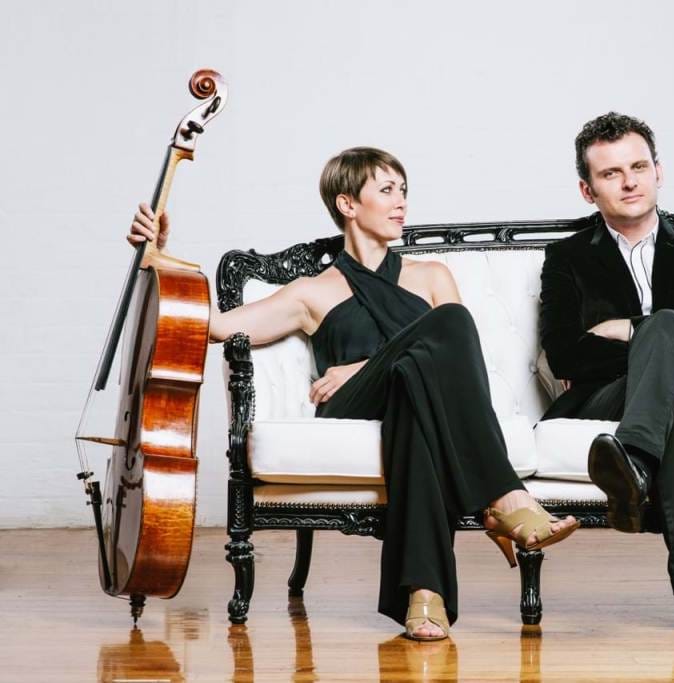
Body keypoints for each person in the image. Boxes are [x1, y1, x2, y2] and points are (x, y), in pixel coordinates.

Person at [129, 146, 578, 641]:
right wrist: (157, 256)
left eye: (403, 191)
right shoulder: (311, 292)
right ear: (347, 204)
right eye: (386, 190)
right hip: (352, 407)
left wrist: (363, 365)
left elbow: (455, 357)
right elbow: (210, 326)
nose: (401, 202)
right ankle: (503, 497)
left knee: (421, 377)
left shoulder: (431, 276)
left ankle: (424, 595)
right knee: (441, 328)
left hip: (411, 404)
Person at [538, 113, 674, 641]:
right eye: (611, 174)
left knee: (668, 329)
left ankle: (631, 458)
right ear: (588, 191)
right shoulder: (566, 258)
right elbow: (565, 354)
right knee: (668, 396)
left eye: (638, 166)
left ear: (658, 171)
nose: (629, 181)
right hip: (610, 398)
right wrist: (669, 337)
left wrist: (629, 329)